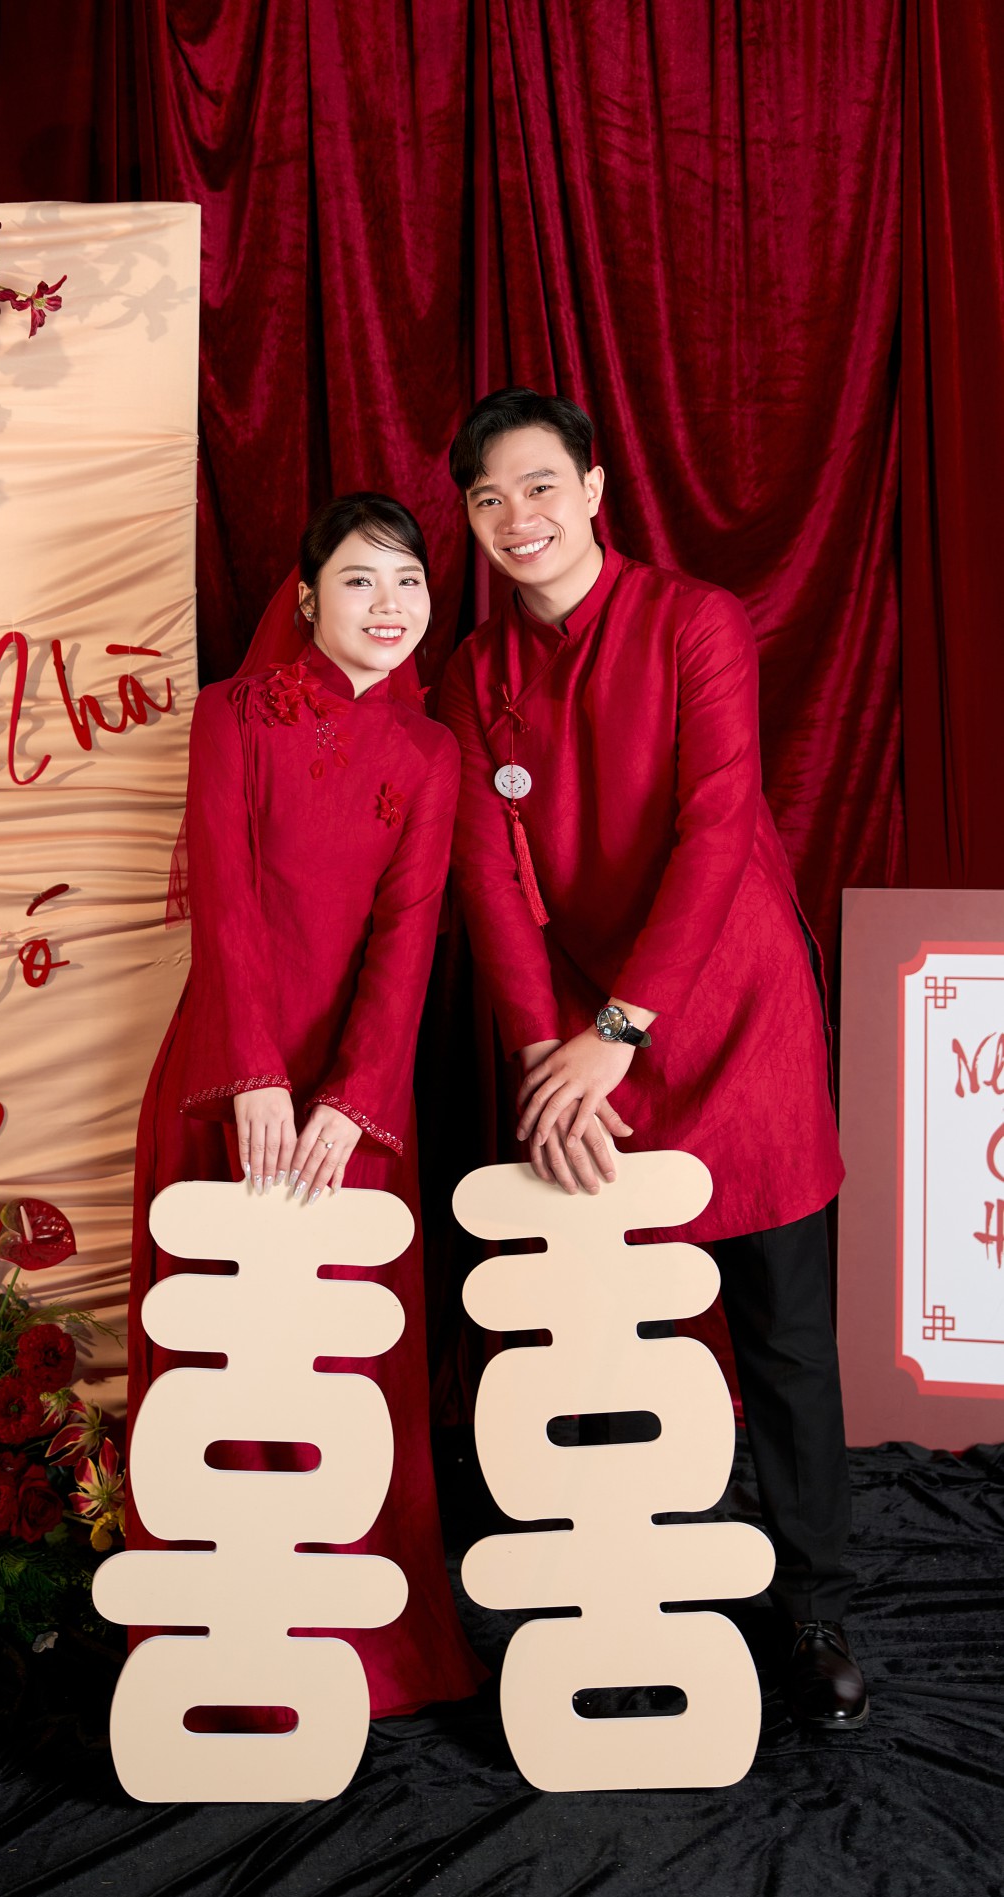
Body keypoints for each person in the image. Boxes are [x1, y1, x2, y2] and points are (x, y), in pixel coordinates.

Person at [438, 387, 867, 1731]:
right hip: (578, 1039)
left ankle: (814, 1607)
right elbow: (490, 884)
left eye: (539, 486)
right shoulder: (472, 677)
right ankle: (620, 1590)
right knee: (598, 1330)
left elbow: (716, 823)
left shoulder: (694, 622)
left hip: (730, 1012)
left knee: (783, 1332)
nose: (517, 517)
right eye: (488, 498)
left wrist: (621, 1028)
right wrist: (543, 1056)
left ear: (593, 488)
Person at [128, 492, 484, 1718]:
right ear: (304, 595)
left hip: (354, 1109)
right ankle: (215, 1647)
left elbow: (406, 940)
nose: (388, 606)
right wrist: (253, 1076)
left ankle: (358, 1649)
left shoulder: (430, 754)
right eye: (359, 580)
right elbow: (226, 901)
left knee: (342, 1365)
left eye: (408, 582)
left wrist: (355, 1098)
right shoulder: (230, 715)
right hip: (223, 1080)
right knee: (217, 1361)